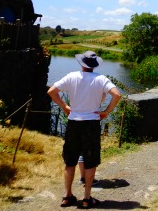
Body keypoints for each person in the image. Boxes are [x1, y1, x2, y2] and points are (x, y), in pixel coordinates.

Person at [48, 50, 121, 209]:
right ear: (94, 65)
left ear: (81, 63)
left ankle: (67, 196)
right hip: (91, 124)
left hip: (74, 122)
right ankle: (87, 198)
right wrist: (106, 112)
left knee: (70, 161)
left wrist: (65, 106)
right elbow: (116, 95)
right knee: (90, 161)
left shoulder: (71, 76)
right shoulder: (100, 79)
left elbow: (51, 92)